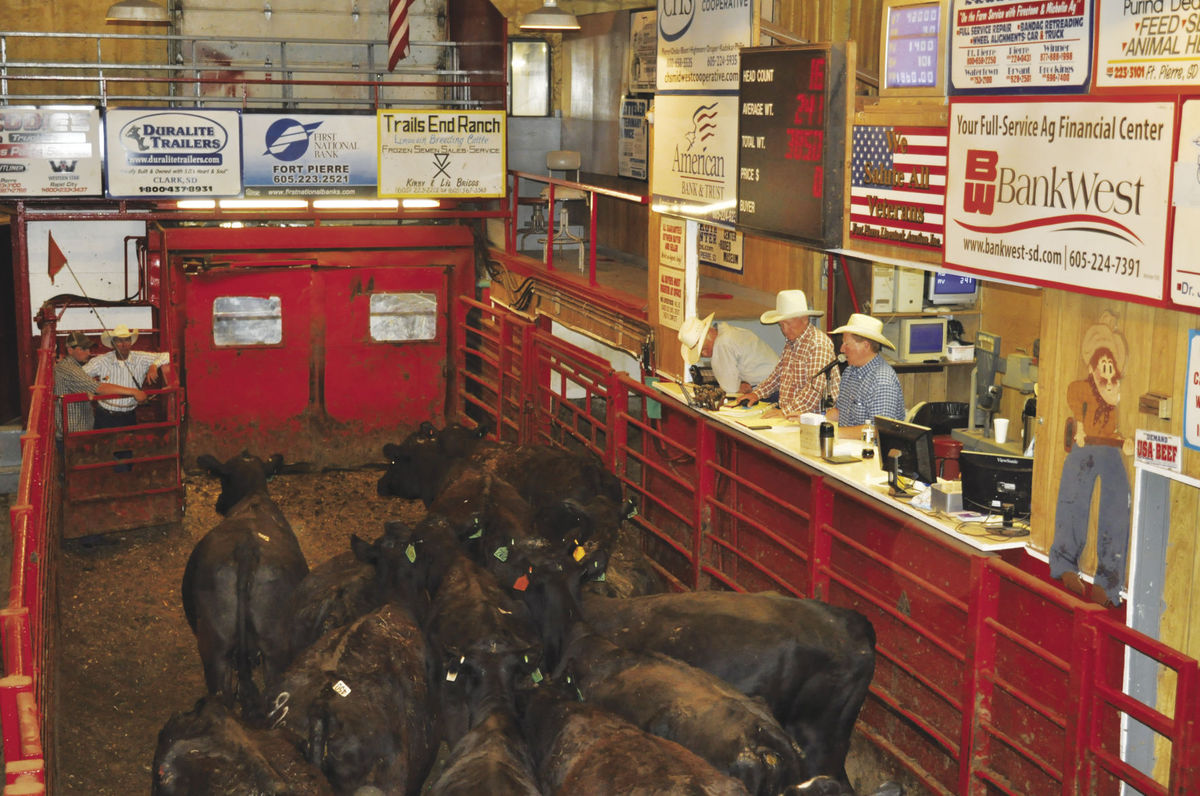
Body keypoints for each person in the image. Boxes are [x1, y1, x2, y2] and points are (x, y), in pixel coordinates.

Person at [1050, 312, 1132, 609]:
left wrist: (1125, 442)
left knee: (1117, 502)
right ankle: (1063, 562)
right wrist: (1081, 428)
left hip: (1109, 448)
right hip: (1085, 446)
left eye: (1111, 367)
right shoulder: (1081, 387)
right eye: (1102, 367)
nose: (1107, 373)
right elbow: (1075, 399)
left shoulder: (1114, 392)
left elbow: (1115, 425)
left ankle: (1109, 582)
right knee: (1072, 496)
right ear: (1091, 367)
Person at [740, 290, 839, 418]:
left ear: (804, 319)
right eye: (781, 325)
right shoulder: (792, 342)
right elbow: (777, 375)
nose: (785, 330)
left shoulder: (818, 344)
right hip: (793, 415)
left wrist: (784, 412)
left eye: (788, 324)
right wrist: (756, 394)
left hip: (811, 419)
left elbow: (815, 391)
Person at [53, 330, 147, 444]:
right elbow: (99, 388)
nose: (88, 353)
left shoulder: (71, 367)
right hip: (73, 435)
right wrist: (133, 392)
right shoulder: (69, 369)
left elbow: (85, 386)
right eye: (83, 349)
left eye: (89, 349)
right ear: (70, 350)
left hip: (76, 430)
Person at [84, 324, 170, 431]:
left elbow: (167, 355)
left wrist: (154, 365)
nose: (124, 344)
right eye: (119, 341)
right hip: (105, 416)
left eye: (127, 340)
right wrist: (89, 387)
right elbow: (80, 375)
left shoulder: (140, 358)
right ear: (113, 344)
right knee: (103, 447)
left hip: (129, 415)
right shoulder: (101, 361)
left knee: (128, 446)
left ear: (131, 342)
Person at [826, 313, 905, 428]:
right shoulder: (849, 372)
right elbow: (840, 413)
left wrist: (835, 434)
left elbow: (877, 431)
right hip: (848, 443)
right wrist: (811, 421)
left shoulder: (882, 381)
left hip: (870, 446)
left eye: (846, 344)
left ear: (865, 346)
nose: (842, 349)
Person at [678, 312, 778, 395]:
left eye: (703, 351)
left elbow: (731, 390)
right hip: (777, 381)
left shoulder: (721, 345)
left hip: (769, 389)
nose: (705, 354)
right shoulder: (725, 330)